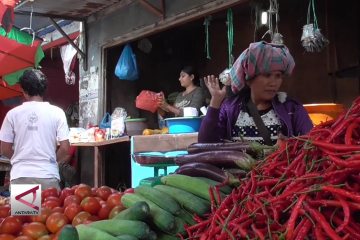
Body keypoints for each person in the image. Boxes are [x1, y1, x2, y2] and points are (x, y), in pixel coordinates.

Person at [198, 41, 313, 145]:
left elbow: (311, 145)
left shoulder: (292, 109)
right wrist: (215, 101)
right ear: (249, 79)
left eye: (278, 76)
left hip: (278, 167)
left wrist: (287, 149)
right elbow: (205, 143)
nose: (273, 83)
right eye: (267, 75)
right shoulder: (230, 108)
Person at [0, 69, 70, 191]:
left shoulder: (12, 115)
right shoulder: (57, 113)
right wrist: (52, 160)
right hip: (48, 175)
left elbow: (5, 149)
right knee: (50, 210)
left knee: (25, 211)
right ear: (44, 89)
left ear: (24, 91)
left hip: (21, 176)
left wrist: (19, 159)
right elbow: (65, 147)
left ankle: (27, 212)